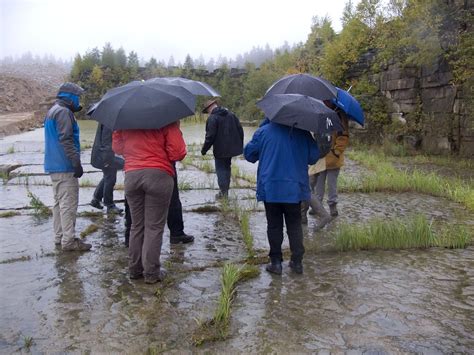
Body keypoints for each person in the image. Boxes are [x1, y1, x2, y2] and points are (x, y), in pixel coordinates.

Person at [113, 121, 186, 284]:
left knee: (136, 225)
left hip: (132, 175)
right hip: (159, 175)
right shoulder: (167, 118)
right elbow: (178, 153)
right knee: (154, 226)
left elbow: (117, 148)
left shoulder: (127, 119)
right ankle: (151, 272)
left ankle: (134, 269)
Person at [244, 118, 319, 275]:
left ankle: (276, 263)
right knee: (294, 225)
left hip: (271, 188)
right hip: (295, 189)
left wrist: (262, 127)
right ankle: (297, 262)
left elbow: (249, 155)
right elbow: (313, 157)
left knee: (274, 225)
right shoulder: (303, 132)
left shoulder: (263, 131)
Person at [43, 82, 91, 251]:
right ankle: (69, 241)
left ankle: (59, 237)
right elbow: (66, 139)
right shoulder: (63, 112)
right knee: (68, 204)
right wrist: (75, 163)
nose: (79, 100)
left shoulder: (53, 110)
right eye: (77, 97)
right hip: (64, 166)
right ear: (70, 97)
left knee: (58, 204)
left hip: (53, 165)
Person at [123, 164, 195, 247]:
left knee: (133, 204)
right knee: (172, 199)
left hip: (134, 168)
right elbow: (178, 154)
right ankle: (176, 233)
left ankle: (129, 237)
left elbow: (118, 150)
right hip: (162, 167)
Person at [201, 99, 244, 199]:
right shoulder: (231, 114)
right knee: (227, 169)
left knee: (220, 170)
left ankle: (223, 193)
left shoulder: (213, 118)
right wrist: (239, 145)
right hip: (231, 149)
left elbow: (210, 136)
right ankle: (225, 191)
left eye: (207, 111)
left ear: (209, 108)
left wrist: (204, 150)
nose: (208, 113)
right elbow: (240, 130)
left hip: (220, 150)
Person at [315, 105, 349, 217]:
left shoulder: (339, 115)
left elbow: (343, 137)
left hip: (333, 159)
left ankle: (332, 207)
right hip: (319, 156)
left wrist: (336, 152)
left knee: (332, 184)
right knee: (318, 185)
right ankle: (317, 206)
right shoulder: (317, 113)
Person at [90, 123, 124, 214]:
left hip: (104, 154)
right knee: (110, 178)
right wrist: (107, 160)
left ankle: (96, 199)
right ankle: (109, 205)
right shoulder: (108, 123)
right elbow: (106, 141)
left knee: (108, 176)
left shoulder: (107, 119)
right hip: (106, 155)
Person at [301, 154, 332, 228]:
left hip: (312, 158)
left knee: (305, 188)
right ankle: (302, 217)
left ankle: (323, 215)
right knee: (304, 188)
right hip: (314, 158)